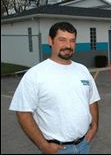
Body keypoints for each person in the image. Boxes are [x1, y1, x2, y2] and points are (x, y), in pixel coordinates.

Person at [9, 22, 101, 154]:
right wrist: (43, 145)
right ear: (50, 41)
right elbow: (23, 112)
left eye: (72, 41)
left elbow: (92, 100)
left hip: (83, 145)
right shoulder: (35, 74)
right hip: (57, 149)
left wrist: (95, 126)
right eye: (62, 40)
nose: (68, 46)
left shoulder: (83, 70)